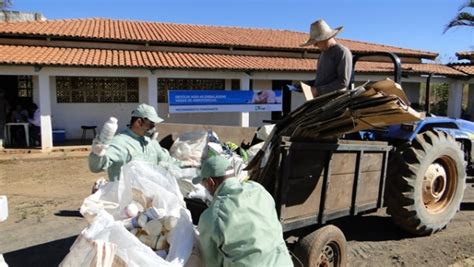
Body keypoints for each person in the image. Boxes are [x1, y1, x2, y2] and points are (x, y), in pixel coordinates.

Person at [193, 155, 293, 267]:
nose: (205, 188)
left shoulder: (212, 216)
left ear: (211, 182)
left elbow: (211, 262)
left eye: (204, 184)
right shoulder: (258, 189)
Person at [89, 103, 182, 181]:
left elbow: (167, 160)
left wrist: (190, 164)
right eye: (151, 124)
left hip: (150, 196)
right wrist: (98, 153)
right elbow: (96, 167)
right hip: (126, 198)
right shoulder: (120, 143)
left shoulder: (150, 142)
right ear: (139, 122)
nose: (153, 127)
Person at [300, 19, 353, 97]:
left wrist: (317, 91)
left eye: (316, 42)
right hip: (321, 101)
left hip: (334, 104)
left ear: (326, 38)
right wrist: (307, 84)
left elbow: (343, 83)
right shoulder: (323, 54)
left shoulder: (342, 52)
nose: (315, 45)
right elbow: (323, 80)